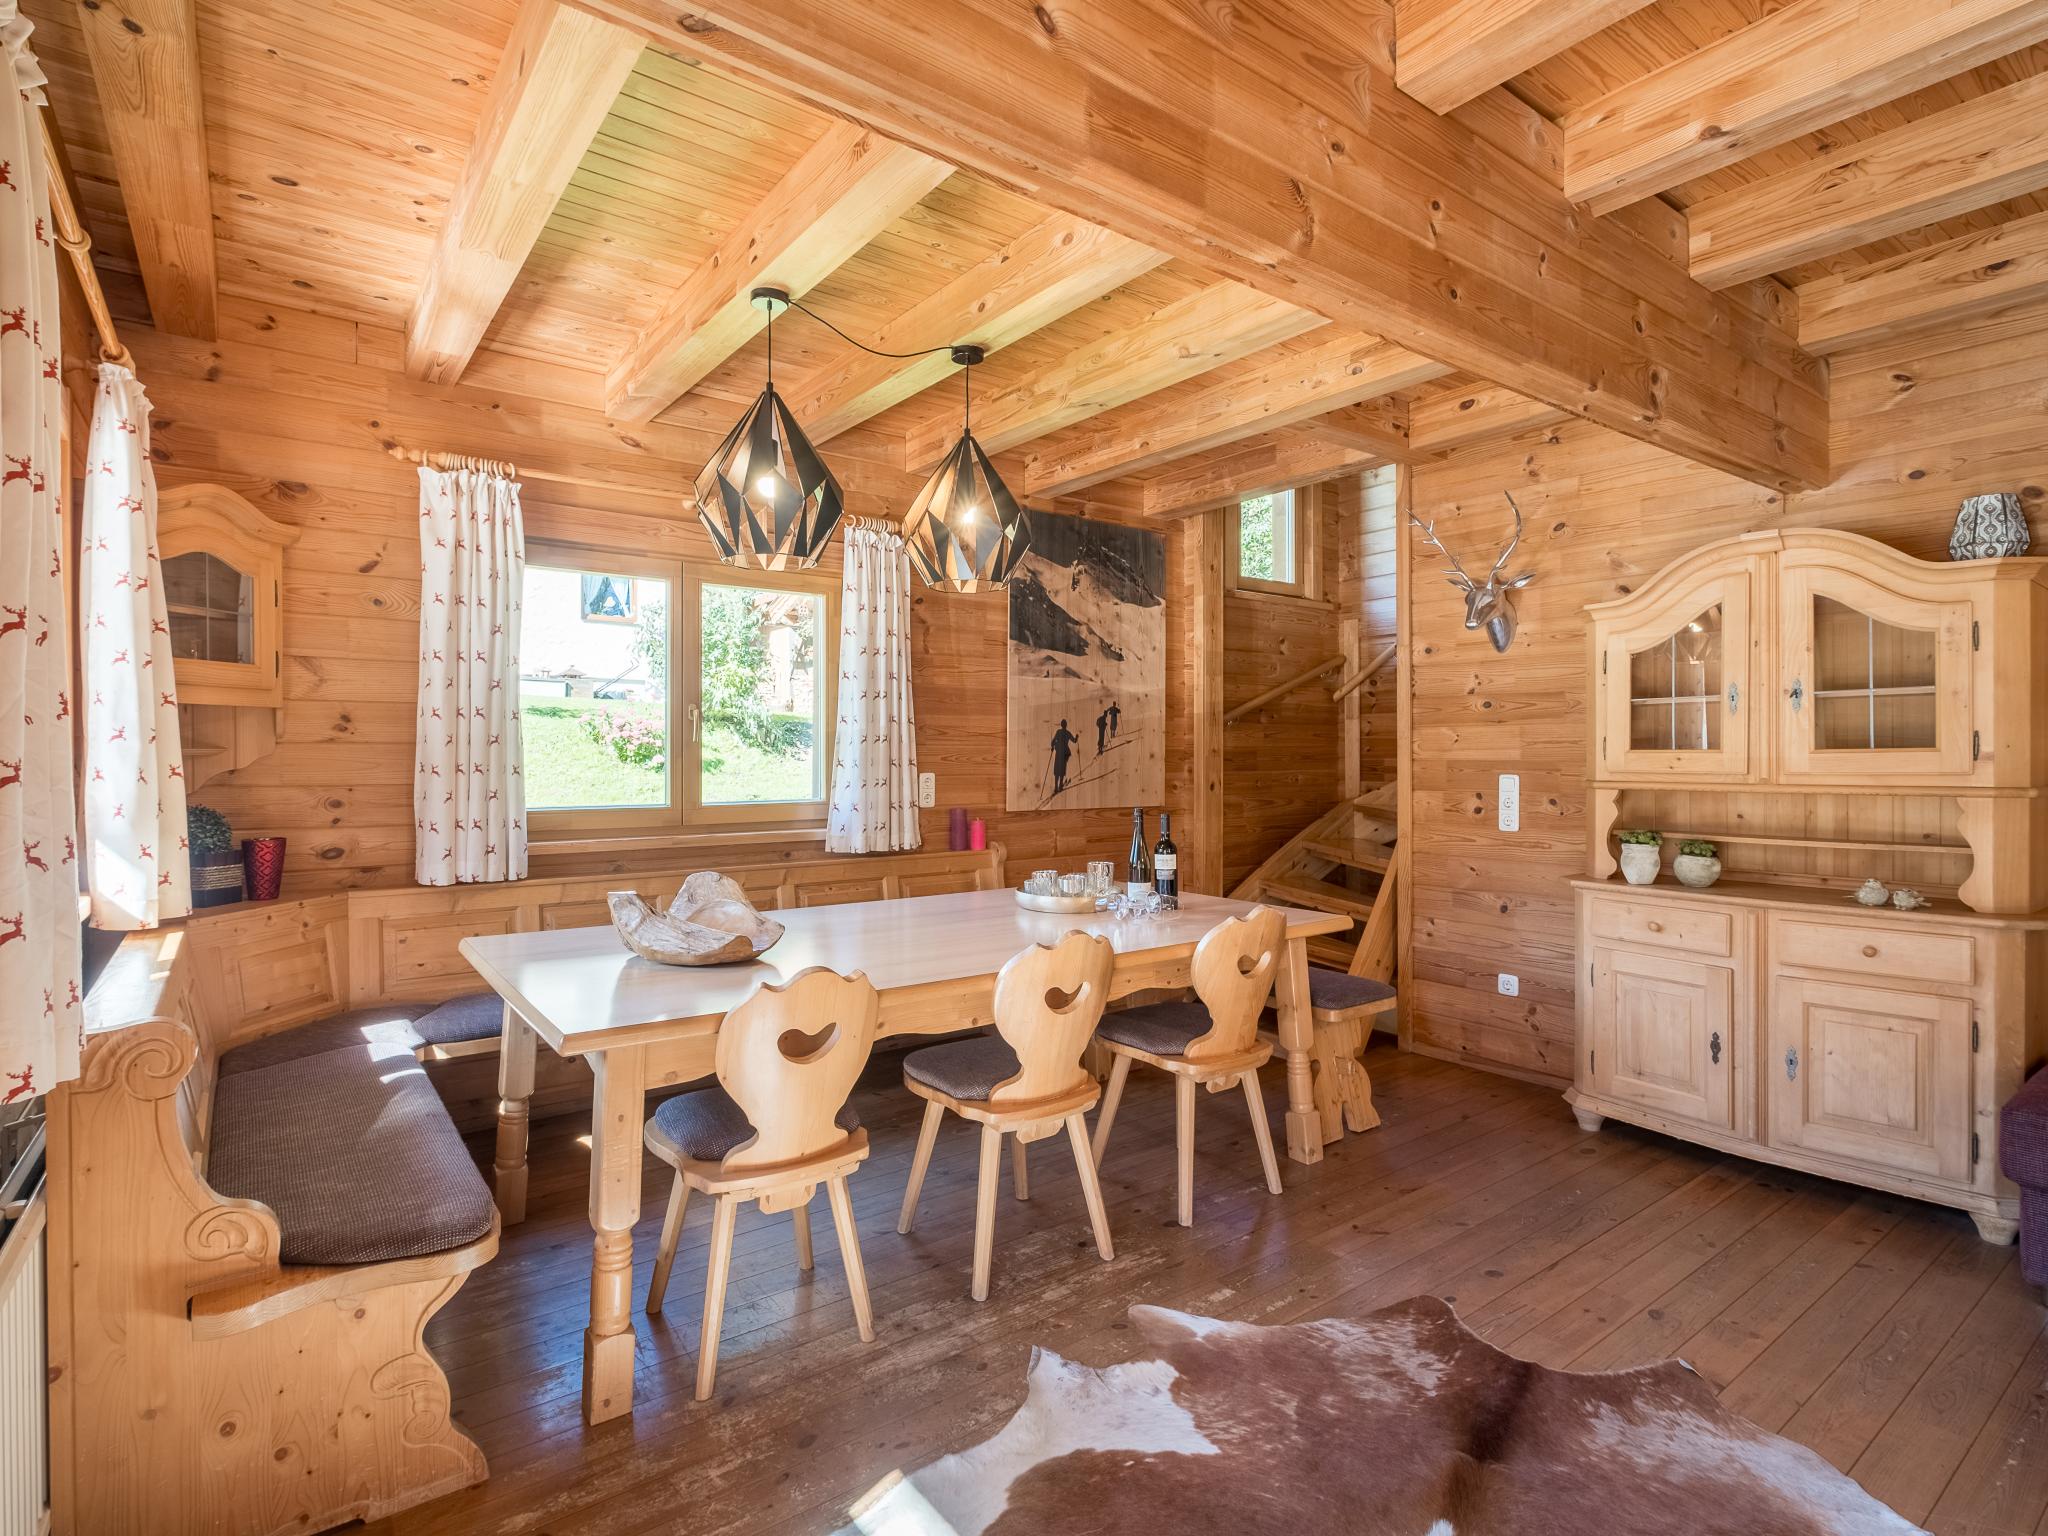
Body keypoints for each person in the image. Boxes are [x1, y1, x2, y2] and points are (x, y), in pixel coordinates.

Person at [1049, 718, 1080, 794]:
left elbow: (1053, 741)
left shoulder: (1058, 732)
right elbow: (1074, 741)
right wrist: (1077, 737)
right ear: (1066, 725)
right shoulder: (1068, 733)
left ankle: (1056, 787)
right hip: (1064, 753)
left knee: (1057, 769)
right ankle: (1060, 785)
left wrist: (1052, 746)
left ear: (1061, 725)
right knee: (1062, 769)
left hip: (1058, 752)